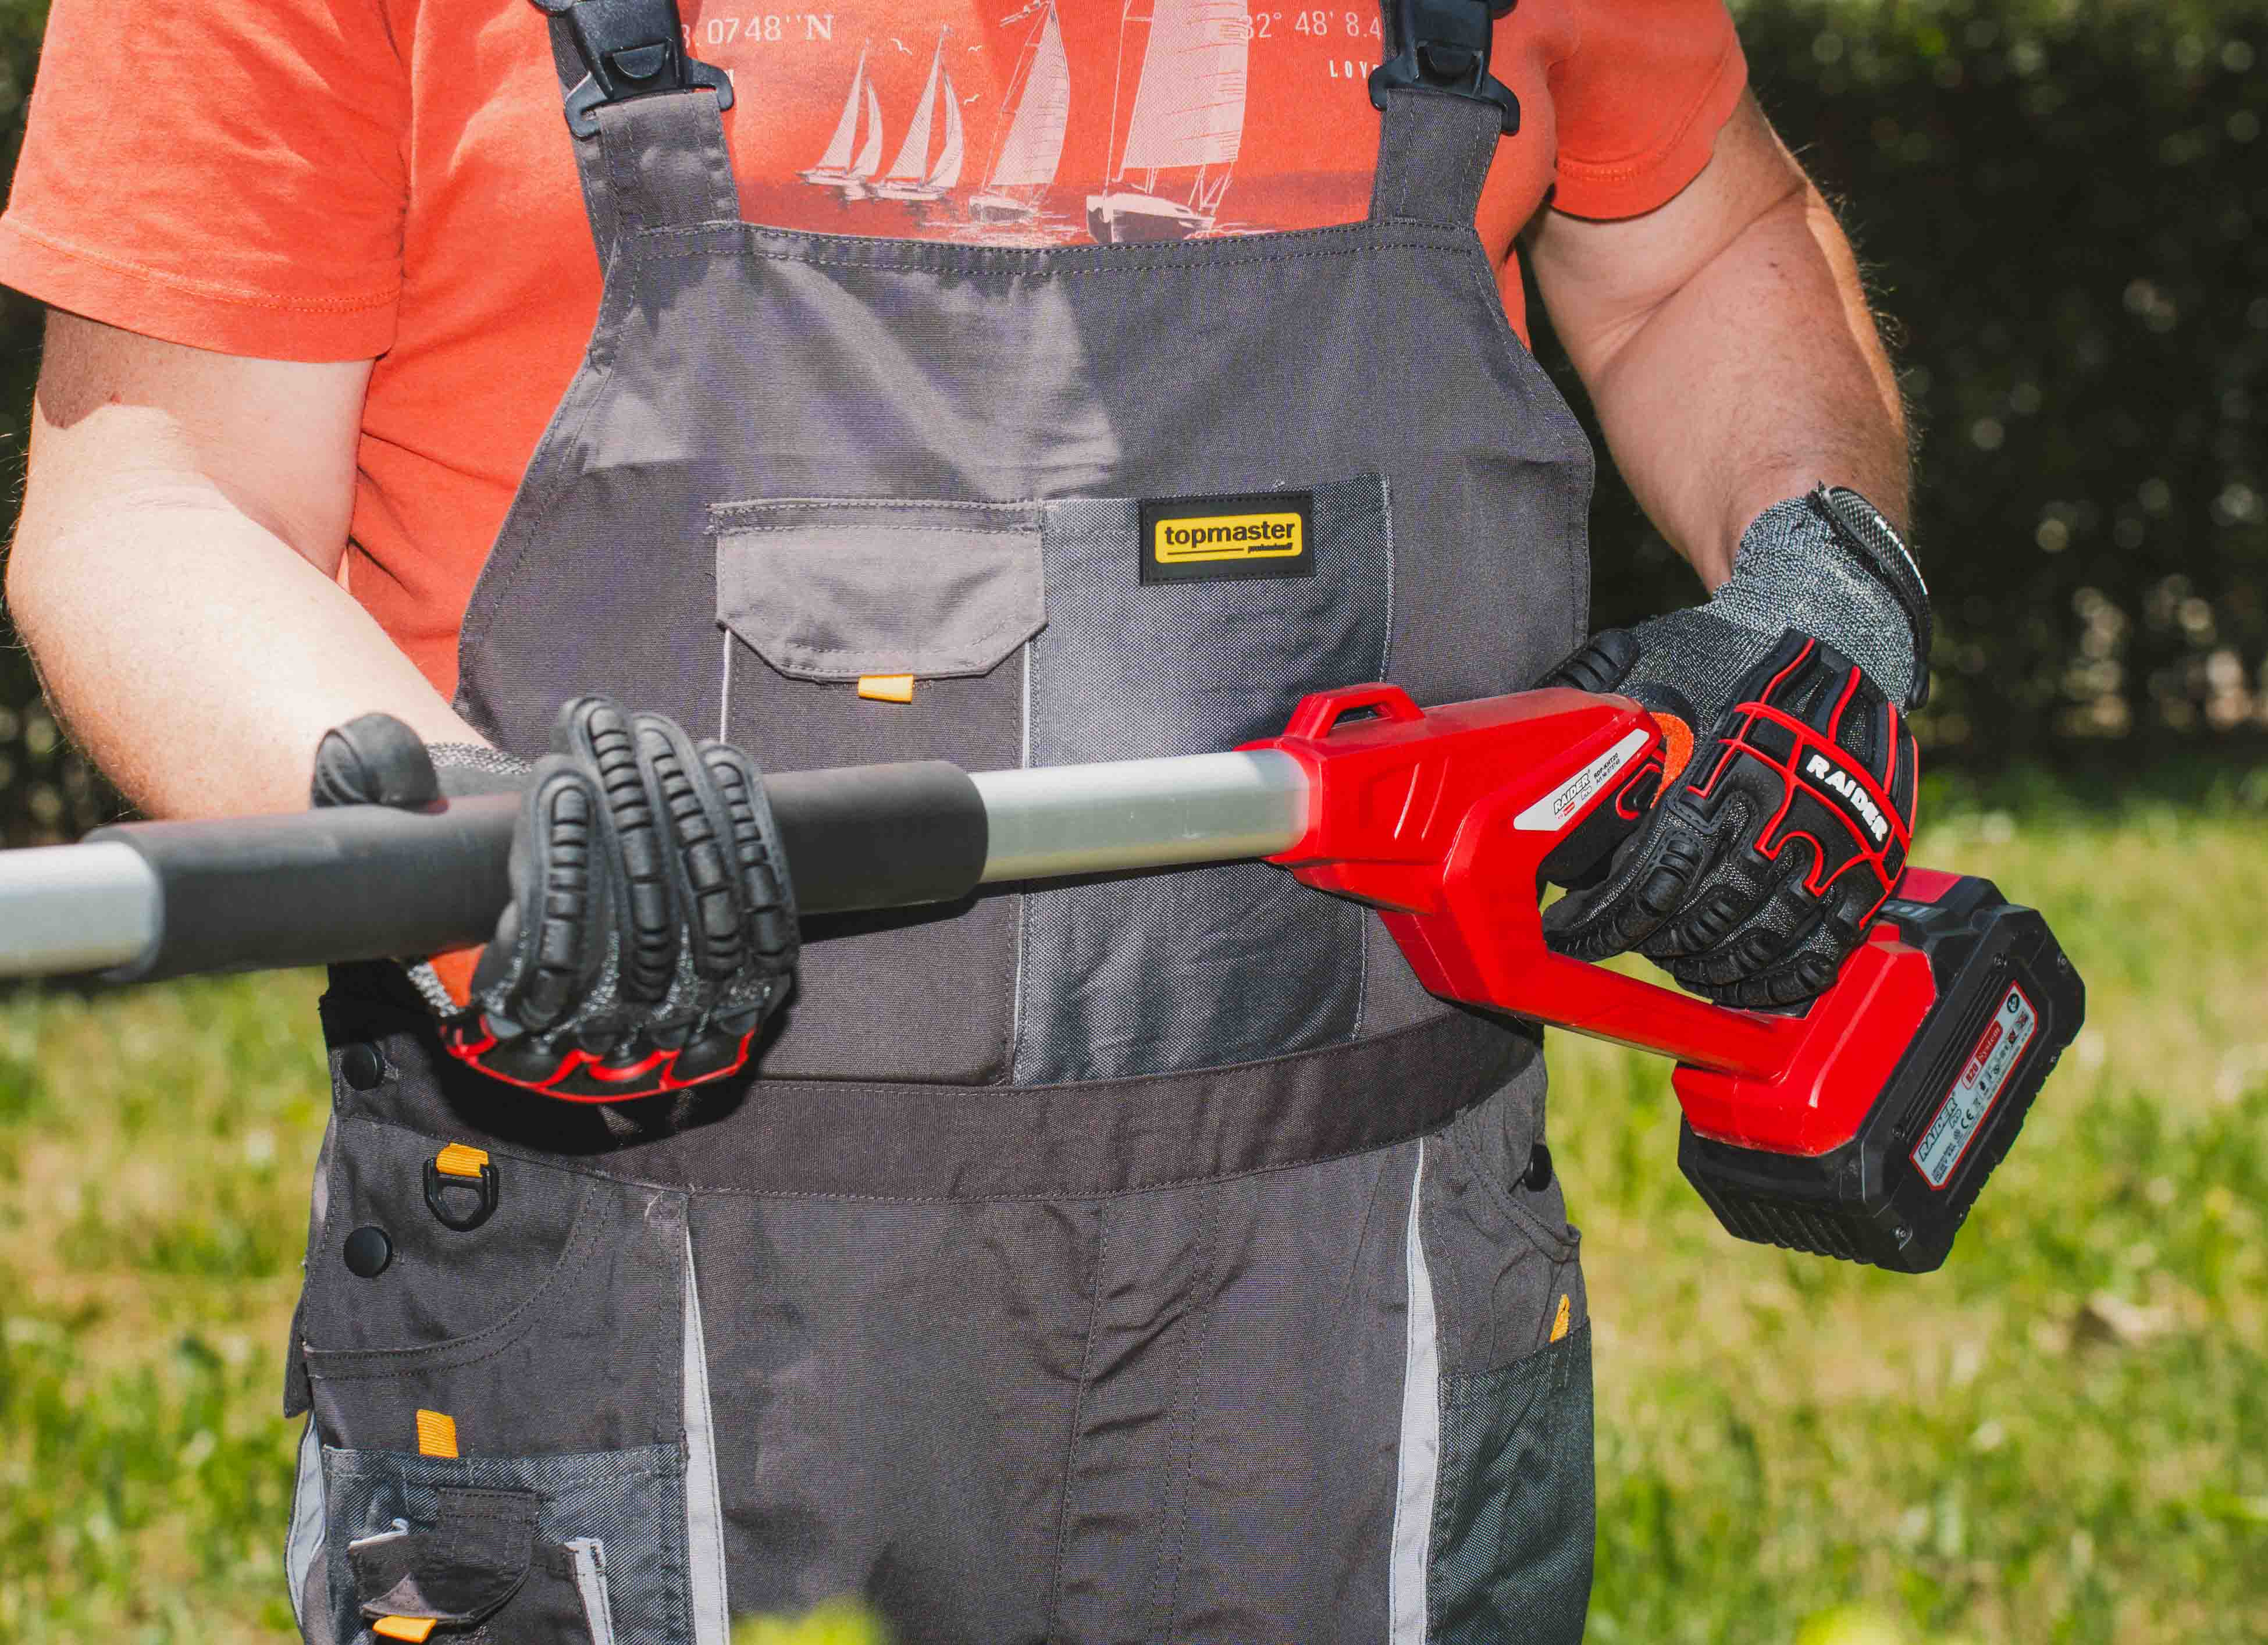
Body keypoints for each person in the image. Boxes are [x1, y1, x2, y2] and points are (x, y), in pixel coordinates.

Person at [0, 0, 1925, 1638]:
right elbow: (154, 504)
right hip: (624, 1301)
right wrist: (475, 833)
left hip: (1367, 1300)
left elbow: (1697, 246)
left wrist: (1827, 582)